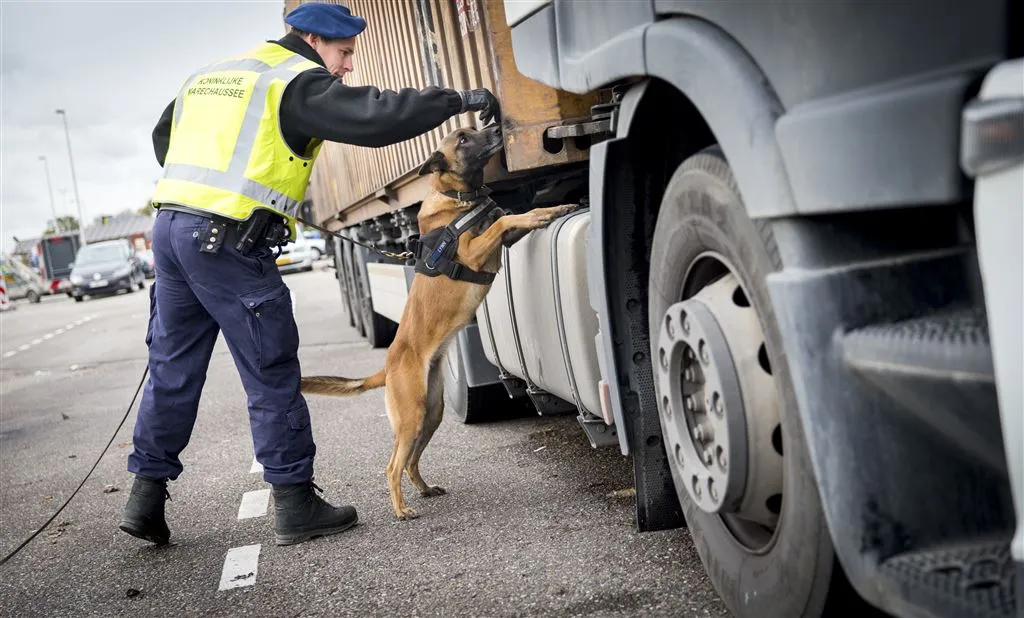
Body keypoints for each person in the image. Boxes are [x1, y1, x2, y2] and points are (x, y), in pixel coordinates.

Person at [119, 2, 501, 548]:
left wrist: (229, 191)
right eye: (344, 54)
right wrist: (457, 101)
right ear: (315, 40)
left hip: (172, 232)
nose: (346, 68)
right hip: (225, 242)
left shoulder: (214, 75)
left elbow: (166, 141)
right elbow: (377, 116)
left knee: (172, 369)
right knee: (271, 370)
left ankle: (145, 498)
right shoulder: (295, 82)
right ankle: (296, 504)